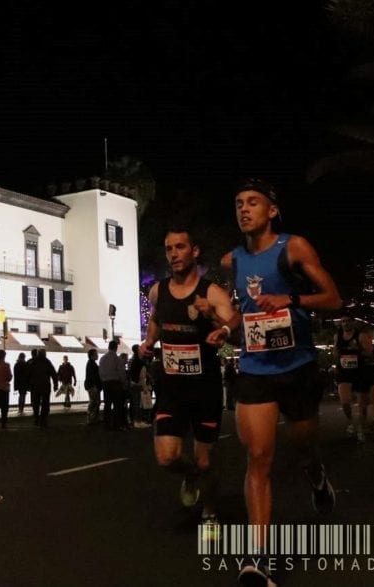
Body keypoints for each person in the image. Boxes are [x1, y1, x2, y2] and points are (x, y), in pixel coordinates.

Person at [205, 178, 342, 584]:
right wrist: (227, 329)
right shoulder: (232, 261)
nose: (244, 209)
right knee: (258, 457)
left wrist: (292, 300)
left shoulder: (294, 247)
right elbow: (241, 310)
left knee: (303, 446)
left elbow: (334, 298)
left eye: (253, 203)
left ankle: (315, 475)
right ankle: (258, 559)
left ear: (272, 210)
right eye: (238, 203)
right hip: (255, 370)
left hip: (297, 367)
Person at [139, 227, 236, 532]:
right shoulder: (158, 290)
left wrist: (218, 324)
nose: (174, 254)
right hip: (170, 389)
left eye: (180, 247)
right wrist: (148, 342)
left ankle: (209, 510)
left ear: (194, 251)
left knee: (207, 460)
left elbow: (234, 321)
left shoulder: (211, 292)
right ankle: (190, 473)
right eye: (169, 249)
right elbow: (156, 319)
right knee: (167, 459)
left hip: (204, 389)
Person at [333, 312, 374, 441]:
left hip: (360, 371)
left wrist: (358, 350)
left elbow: (370, 353)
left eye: (348, 321)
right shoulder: (337, 336)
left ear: (353, 322)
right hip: (343, 371)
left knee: (361, 404)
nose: (345, 323)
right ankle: (351, 421)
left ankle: (361, 428)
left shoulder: (361, 336)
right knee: (345, 401)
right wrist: (336, 362)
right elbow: (336, 351)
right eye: (343, 321)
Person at [98, 340, 128, 430]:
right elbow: (121, 372)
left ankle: (106, 424)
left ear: (108, 347)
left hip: (106, 383)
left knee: (107, 404)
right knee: (117, 404)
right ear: (116, 348)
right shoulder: (117, 359)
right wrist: (123, 382)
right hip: (115, 383)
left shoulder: (102, 358)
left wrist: (103, 380)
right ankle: (116, 424)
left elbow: (100, 372)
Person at [27, 348, 58, 427]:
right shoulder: (47, 362)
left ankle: (36, 419)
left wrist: (28, 385)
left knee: (35, 403)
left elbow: (28, 374)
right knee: (45, 404)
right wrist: (55, 384)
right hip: (45, 386)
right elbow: (53, 374)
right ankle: (43, 420)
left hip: (35, 386)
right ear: (44, 354)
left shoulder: (33, 362)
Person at [84, 348, 101, 425]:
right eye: (96, 354)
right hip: (93, 386)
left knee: (94, 402)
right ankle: (91, 419)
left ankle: (92, 418)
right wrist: (95, 385)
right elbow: (93, 376)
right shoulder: (92, 364)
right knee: (94, 402)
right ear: (92, 356)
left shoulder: (91, 363)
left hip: (92, 385)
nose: (97, 355)